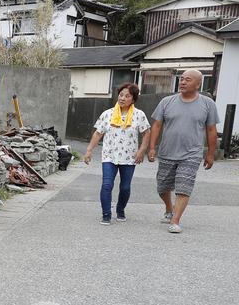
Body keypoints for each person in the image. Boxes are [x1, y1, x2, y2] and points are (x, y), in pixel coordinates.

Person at [147, 69, 220, 233]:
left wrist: (210, 154)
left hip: (191, 154)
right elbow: (157, 125)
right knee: (162, 187)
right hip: (167, 152)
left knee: (184, 187)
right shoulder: (167, 102)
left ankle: (175, 220)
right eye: (181, 79)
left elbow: (211, 131)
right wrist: (152, 148)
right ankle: (169, 209)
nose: (183, 82)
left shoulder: (208, 104)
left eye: (188, 79)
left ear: (198, 84)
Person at [84, 83, 150, 224]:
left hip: (129, 157)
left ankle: (120, 209)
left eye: (127, 96)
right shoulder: (107, 114)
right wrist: (89, 150)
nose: (122, 98)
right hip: (109, 156)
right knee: (107, 185)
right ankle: (106, 214)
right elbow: (98, 133)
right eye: (121, 95)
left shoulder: (139, 115)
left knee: (125, 187)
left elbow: (146, 133)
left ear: (133, 99)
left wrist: (141, 151)